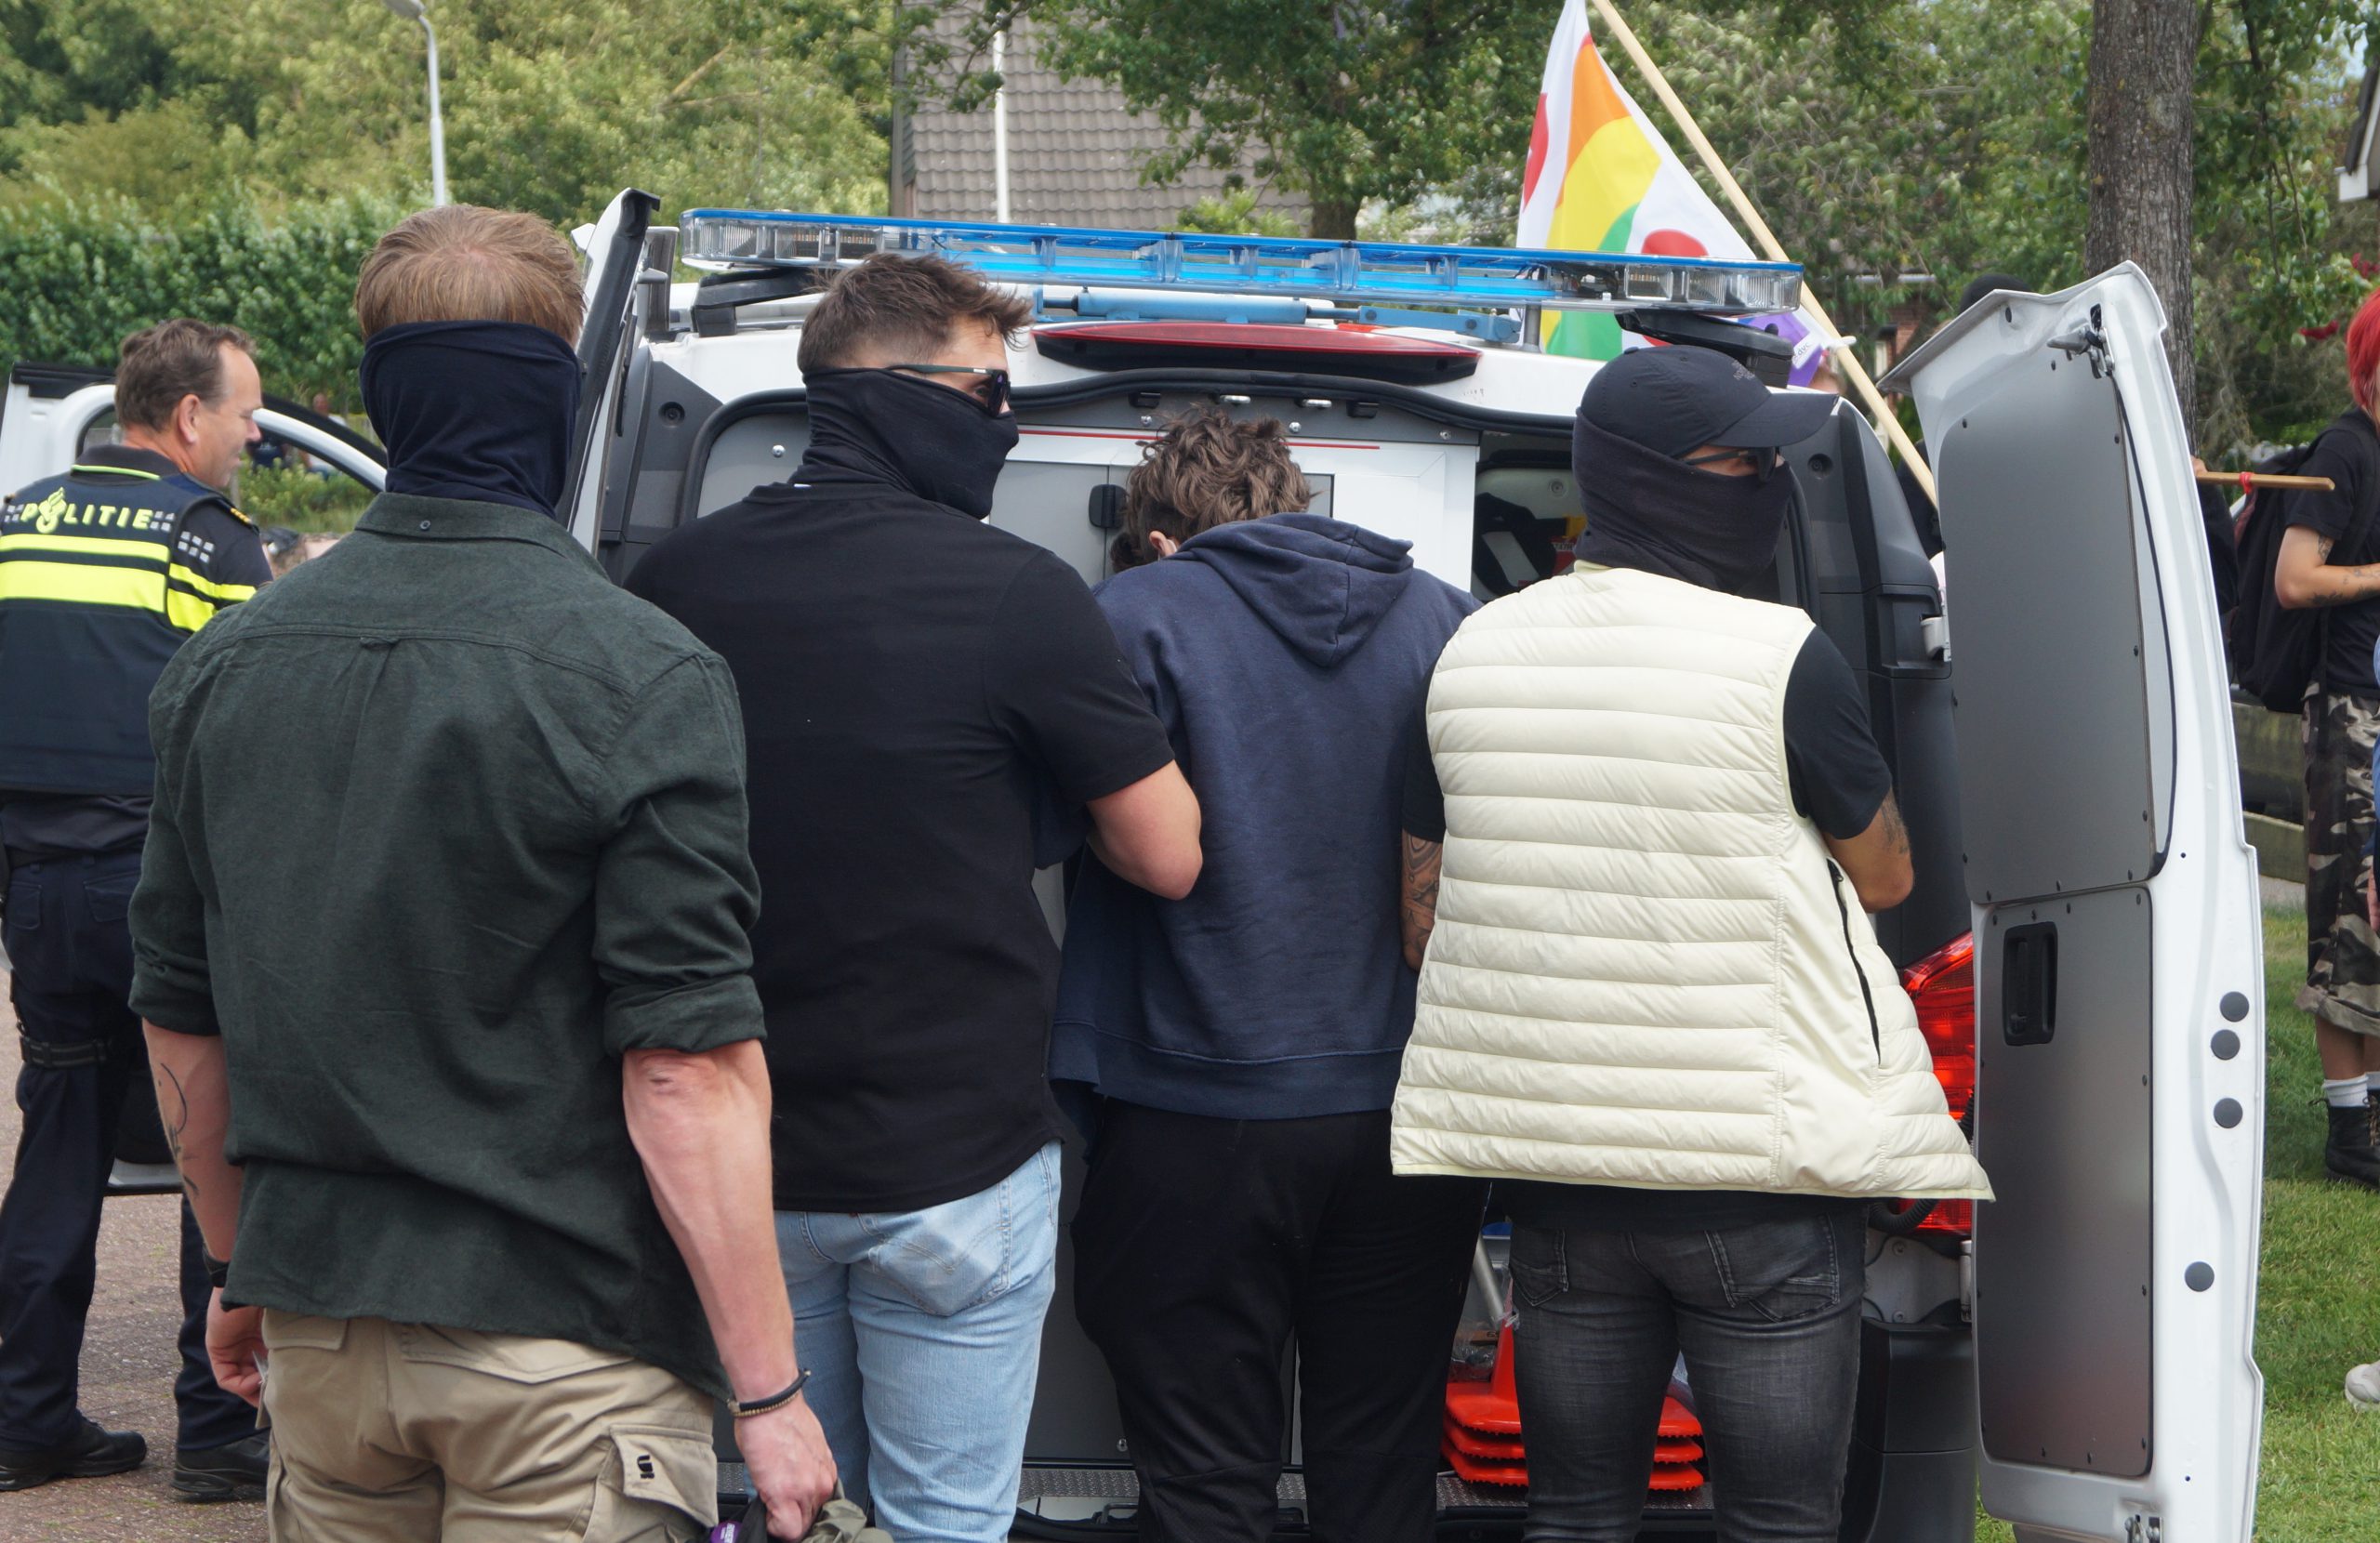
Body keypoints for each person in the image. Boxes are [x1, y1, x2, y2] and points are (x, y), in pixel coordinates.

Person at [129, 204, 837, 1541]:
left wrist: (240, 1263)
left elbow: (181, 1017)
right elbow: (683, 1066)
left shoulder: (225, 665)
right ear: (559, 399)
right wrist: (770, 1389)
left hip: (326, 1339)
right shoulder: (643, 670)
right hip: (566, 1353)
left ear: (389, 404)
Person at [624, 252, 1202, 1543]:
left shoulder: (671, 586)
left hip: (739, 1159)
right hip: (954, 1163)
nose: (1005, 422)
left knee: (798, 1515)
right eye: (990, 392)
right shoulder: (1018, 595)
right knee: (945, 1521)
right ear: (896, 390)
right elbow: (1168, 854)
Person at [1388, 345, 1990, 1543]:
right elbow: (1887, 873)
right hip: (1758, 1178)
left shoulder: (1467, 652)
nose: (1769, 481)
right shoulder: (1779, 654)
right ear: (1652, 478)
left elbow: (1422, 918)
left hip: (1560, 1177)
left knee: (1574, 1517)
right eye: (1744, 462)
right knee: (1777, 1522)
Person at [1052, 408, 1485, 1543]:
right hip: (1408, 1116)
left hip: (1191, 1109)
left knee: (1203, 1483)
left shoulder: (1134, 613)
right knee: (1380, 1466)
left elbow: (1060, 818)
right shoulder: (1451, 620)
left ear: (1157, 535)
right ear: (1293, 502)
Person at [0, 319, 272, 1498]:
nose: (253, 435)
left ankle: (25, 1420)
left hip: (39, 891)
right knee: (210, 1133)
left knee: (59, 1144)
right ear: (189, 415)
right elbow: (254, 727)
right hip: (163, 891)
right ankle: (217, 1433)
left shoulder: (16, 522)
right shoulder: (205, 540)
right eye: (246, 414)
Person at [2274, 286, 2380, 1188]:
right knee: (2347, 913)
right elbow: (2295, 578)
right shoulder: (2345, 450)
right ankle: (2350, 1131)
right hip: (2351, 716)